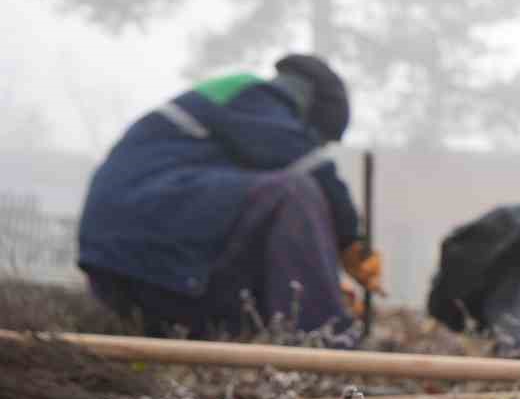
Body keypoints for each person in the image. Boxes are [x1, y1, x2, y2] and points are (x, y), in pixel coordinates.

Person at [78, 54, 382, 338]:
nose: (315, 146)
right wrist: (350, 240)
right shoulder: (252, 96)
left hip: (140, 262)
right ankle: (324, 341)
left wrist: (321, 284)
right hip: (142, 241)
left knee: (277, 209)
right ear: (308, 110)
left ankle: (313, 328)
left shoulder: (229, 141)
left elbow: (253, 232)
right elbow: (311, 168)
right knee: (295, 191)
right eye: (318, 139)